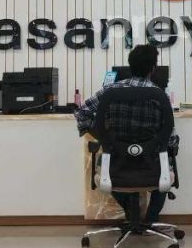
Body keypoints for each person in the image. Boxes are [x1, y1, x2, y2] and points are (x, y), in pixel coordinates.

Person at [75, 44, 179, 224]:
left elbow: (82, 113)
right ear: (153, 68)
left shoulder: (110, 91)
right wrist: (167, 145)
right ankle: (150, 220)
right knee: (165, 159)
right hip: (152, 168)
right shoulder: (159, 95)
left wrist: (105, 137)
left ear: (130, 66)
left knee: (107, 166)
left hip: (116, 168)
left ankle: (132, 216)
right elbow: (170, 137)